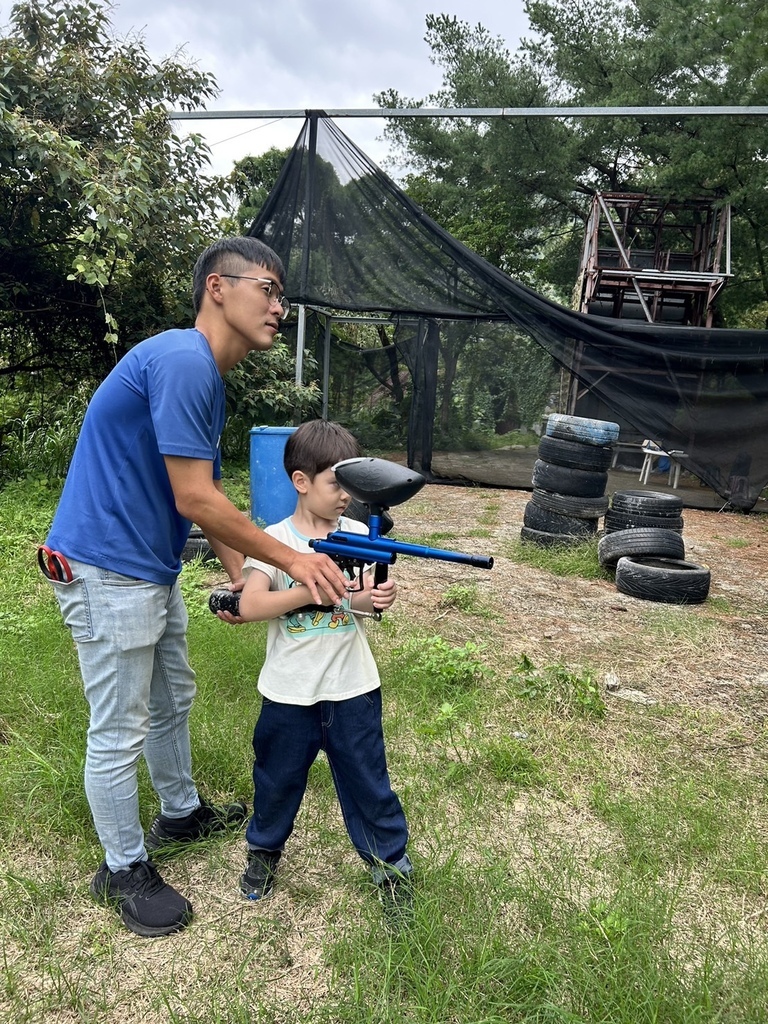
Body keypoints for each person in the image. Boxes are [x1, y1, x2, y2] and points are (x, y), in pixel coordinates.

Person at [43, 237, 349, 939]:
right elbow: (195, 500)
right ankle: (121, 869)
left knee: (172, 694)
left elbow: (207, 491)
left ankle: (179, 812)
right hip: (106, 565)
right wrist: (292, 561)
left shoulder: (203, 376)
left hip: (146, 567)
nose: (279, 308)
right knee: (120, 727)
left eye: (281, 295)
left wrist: (244, 581)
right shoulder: (184, 360)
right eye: (267, 290)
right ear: (219, 287)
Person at [214, 419, 413, 905]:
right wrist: (309, 589)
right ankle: (263, 851)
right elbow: (252, 605)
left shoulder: (356, 535)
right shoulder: (275, 541)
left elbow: (360, 602)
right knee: (276, 780)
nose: (344, 496)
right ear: (301, 481)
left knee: (369, 782)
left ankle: (390, 867)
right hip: (288, 692)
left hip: (353, 688)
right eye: (334, 484)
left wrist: (374, 596)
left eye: (350, 485)